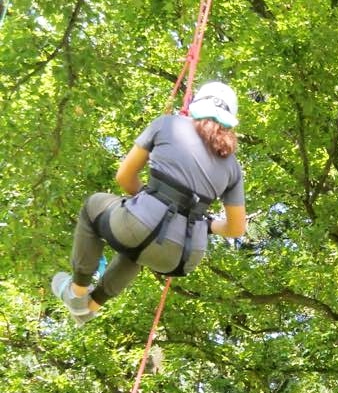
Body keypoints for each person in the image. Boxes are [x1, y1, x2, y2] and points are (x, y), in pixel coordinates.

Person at [51, 82, 246, 324]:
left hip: (141, 227)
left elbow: (124, 177)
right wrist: (205, 225)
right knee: (138, 250)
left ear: (196, 105)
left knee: (94, 205)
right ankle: (90, 306)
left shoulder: (168, 124)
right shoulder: (233, 167)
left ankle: (77, 293)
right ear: (229, 122)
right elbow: (237, 229)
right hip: (184, 257)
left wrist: (149, 201)